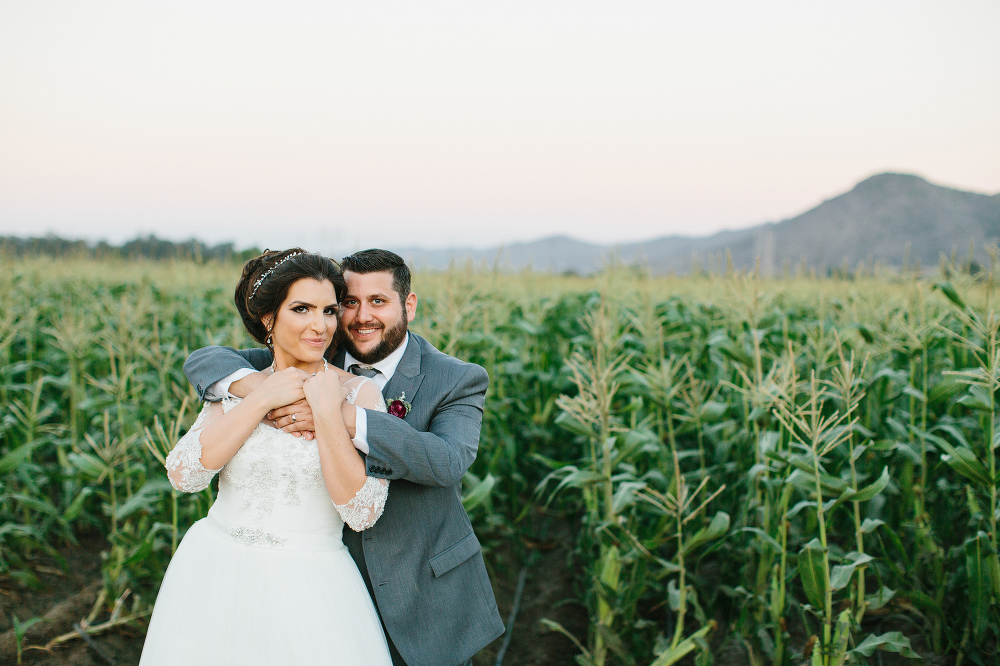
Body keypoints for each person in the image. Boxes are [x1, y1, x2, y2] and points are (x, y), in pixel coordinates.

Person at [183, 249, 505, 666]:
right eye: (349, 303)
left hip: (421, 593)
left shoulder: (456, 378)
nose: (361, 316)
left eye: (378, 301)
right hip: (323, 587)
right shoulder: (310, 351)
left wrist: (343, 414)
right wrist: (262, 393)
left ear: (408, 305)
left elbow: (446, 461)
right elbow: (205, 361)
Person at [140, 250, 393, 665]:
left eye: (329, 310)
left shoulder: (359, 395)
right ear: (268, 319)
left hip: (309, 583)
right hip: (213, 571)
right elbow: (186, 475)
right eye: (302, 309)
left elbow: (361, 512)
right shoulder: (239, 383)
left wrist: (327, 413)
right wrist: (262, 398)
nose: (321, 325)